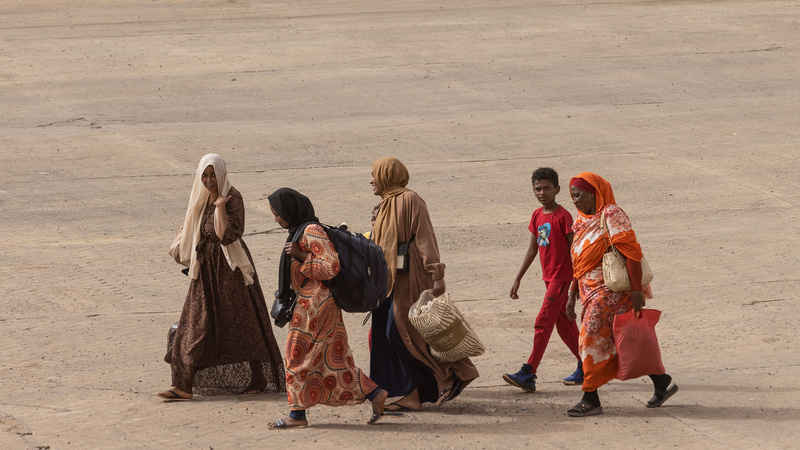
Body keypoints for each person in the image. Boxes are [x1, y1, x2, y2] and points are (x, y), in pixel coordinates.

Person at [158, 153, 285, 401]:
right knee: (195, 326)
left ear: (221, 173)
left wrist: (220, 207)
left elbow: (227, 236)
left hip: (230, 271)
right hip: (205, 270)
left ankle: (258, 376)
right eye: (204, 175)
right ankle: (183, 384)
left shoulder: (232, 197)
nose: (208, 180)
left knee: (244, 323)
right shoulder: (200, 196)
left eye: (212, 174)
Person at [266, 188, 394, 429]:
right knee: (333, 360)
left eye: (277, 213)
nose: (276, 219)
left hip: (315, 303)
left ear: (290, 210)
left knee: (296, 355)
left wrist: (302, 256)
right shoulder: (299, 230)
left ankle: (297, 415)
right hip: (313, 302)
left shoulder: (311, 231)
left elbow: (331, 266)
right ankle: (375, 394)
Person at [369, 156, 479, 412]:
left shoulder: (410, 200)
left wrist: (436, 273)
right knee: (391, 335)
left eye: (374, 174)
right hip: (390, 281)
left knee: (404, 333)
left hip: (411, 277)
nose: (371, 180)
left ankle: (450, 375)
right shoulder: (385, 204)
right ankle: (412, 395)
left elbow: (425, 237)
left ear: (388, 174)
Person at [565, 172, 678, 417]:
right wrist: (572, 292)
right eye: (572, 196)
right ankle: (662, 381)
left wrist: (637, 292)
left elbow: (631, 253)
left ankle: (590, 397)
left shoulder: (612, 214)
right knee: (623, 341)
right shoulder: (581, 221)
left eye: (579, 195)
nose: (574, 201)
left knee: (589, 340)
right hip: (588, 290)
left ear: (594, 193)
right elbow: (578, 261)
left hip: (611, 291)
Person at [504, 167, 582, 392]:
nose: (542, 193)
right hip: (548, 279)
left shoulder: (563, 217)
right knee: (566, 328)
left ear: (557, 189)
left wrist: (573, 292)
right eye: (537, 189)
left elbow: (575, 253)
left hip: (561, 280)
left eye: (547, 188)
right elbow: (532, 250)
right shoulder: (537, 215)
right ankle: (587, 364)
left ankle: (529, 372)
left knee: (542, 323)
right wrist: (518, 278)